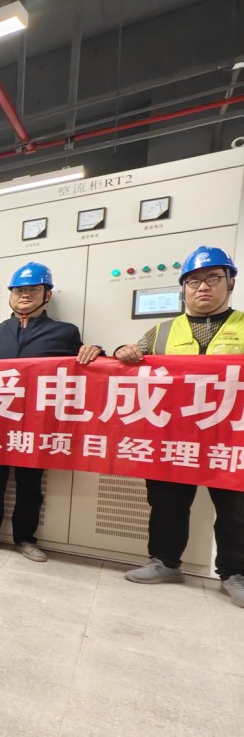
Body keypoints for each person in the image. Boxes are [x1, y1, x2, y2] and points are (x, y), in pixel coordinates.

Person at [112, 246, 244, 606]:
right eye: (193, 281)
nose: (203, 287)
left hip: (231, 438)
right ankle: (165, 562)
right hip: (173, 435)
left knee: (236, 508)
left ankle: (235, 574)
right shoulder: (160, 331)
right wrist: (123, 351)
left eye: (213, 278)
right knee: (166, 502)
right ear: (183, 288)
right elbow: (129, 360)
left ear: (230, 282)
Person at [0, 262, 102, 562]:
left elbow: (87, 365)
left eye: (33, 289)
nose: (25, 295)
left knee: (30, 484)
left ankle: (25, 539)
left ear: (47, 295)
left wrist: (97, 349)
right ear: (10, 295)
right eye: (19, 290)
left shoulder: (64, 333)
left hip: (37, 424)